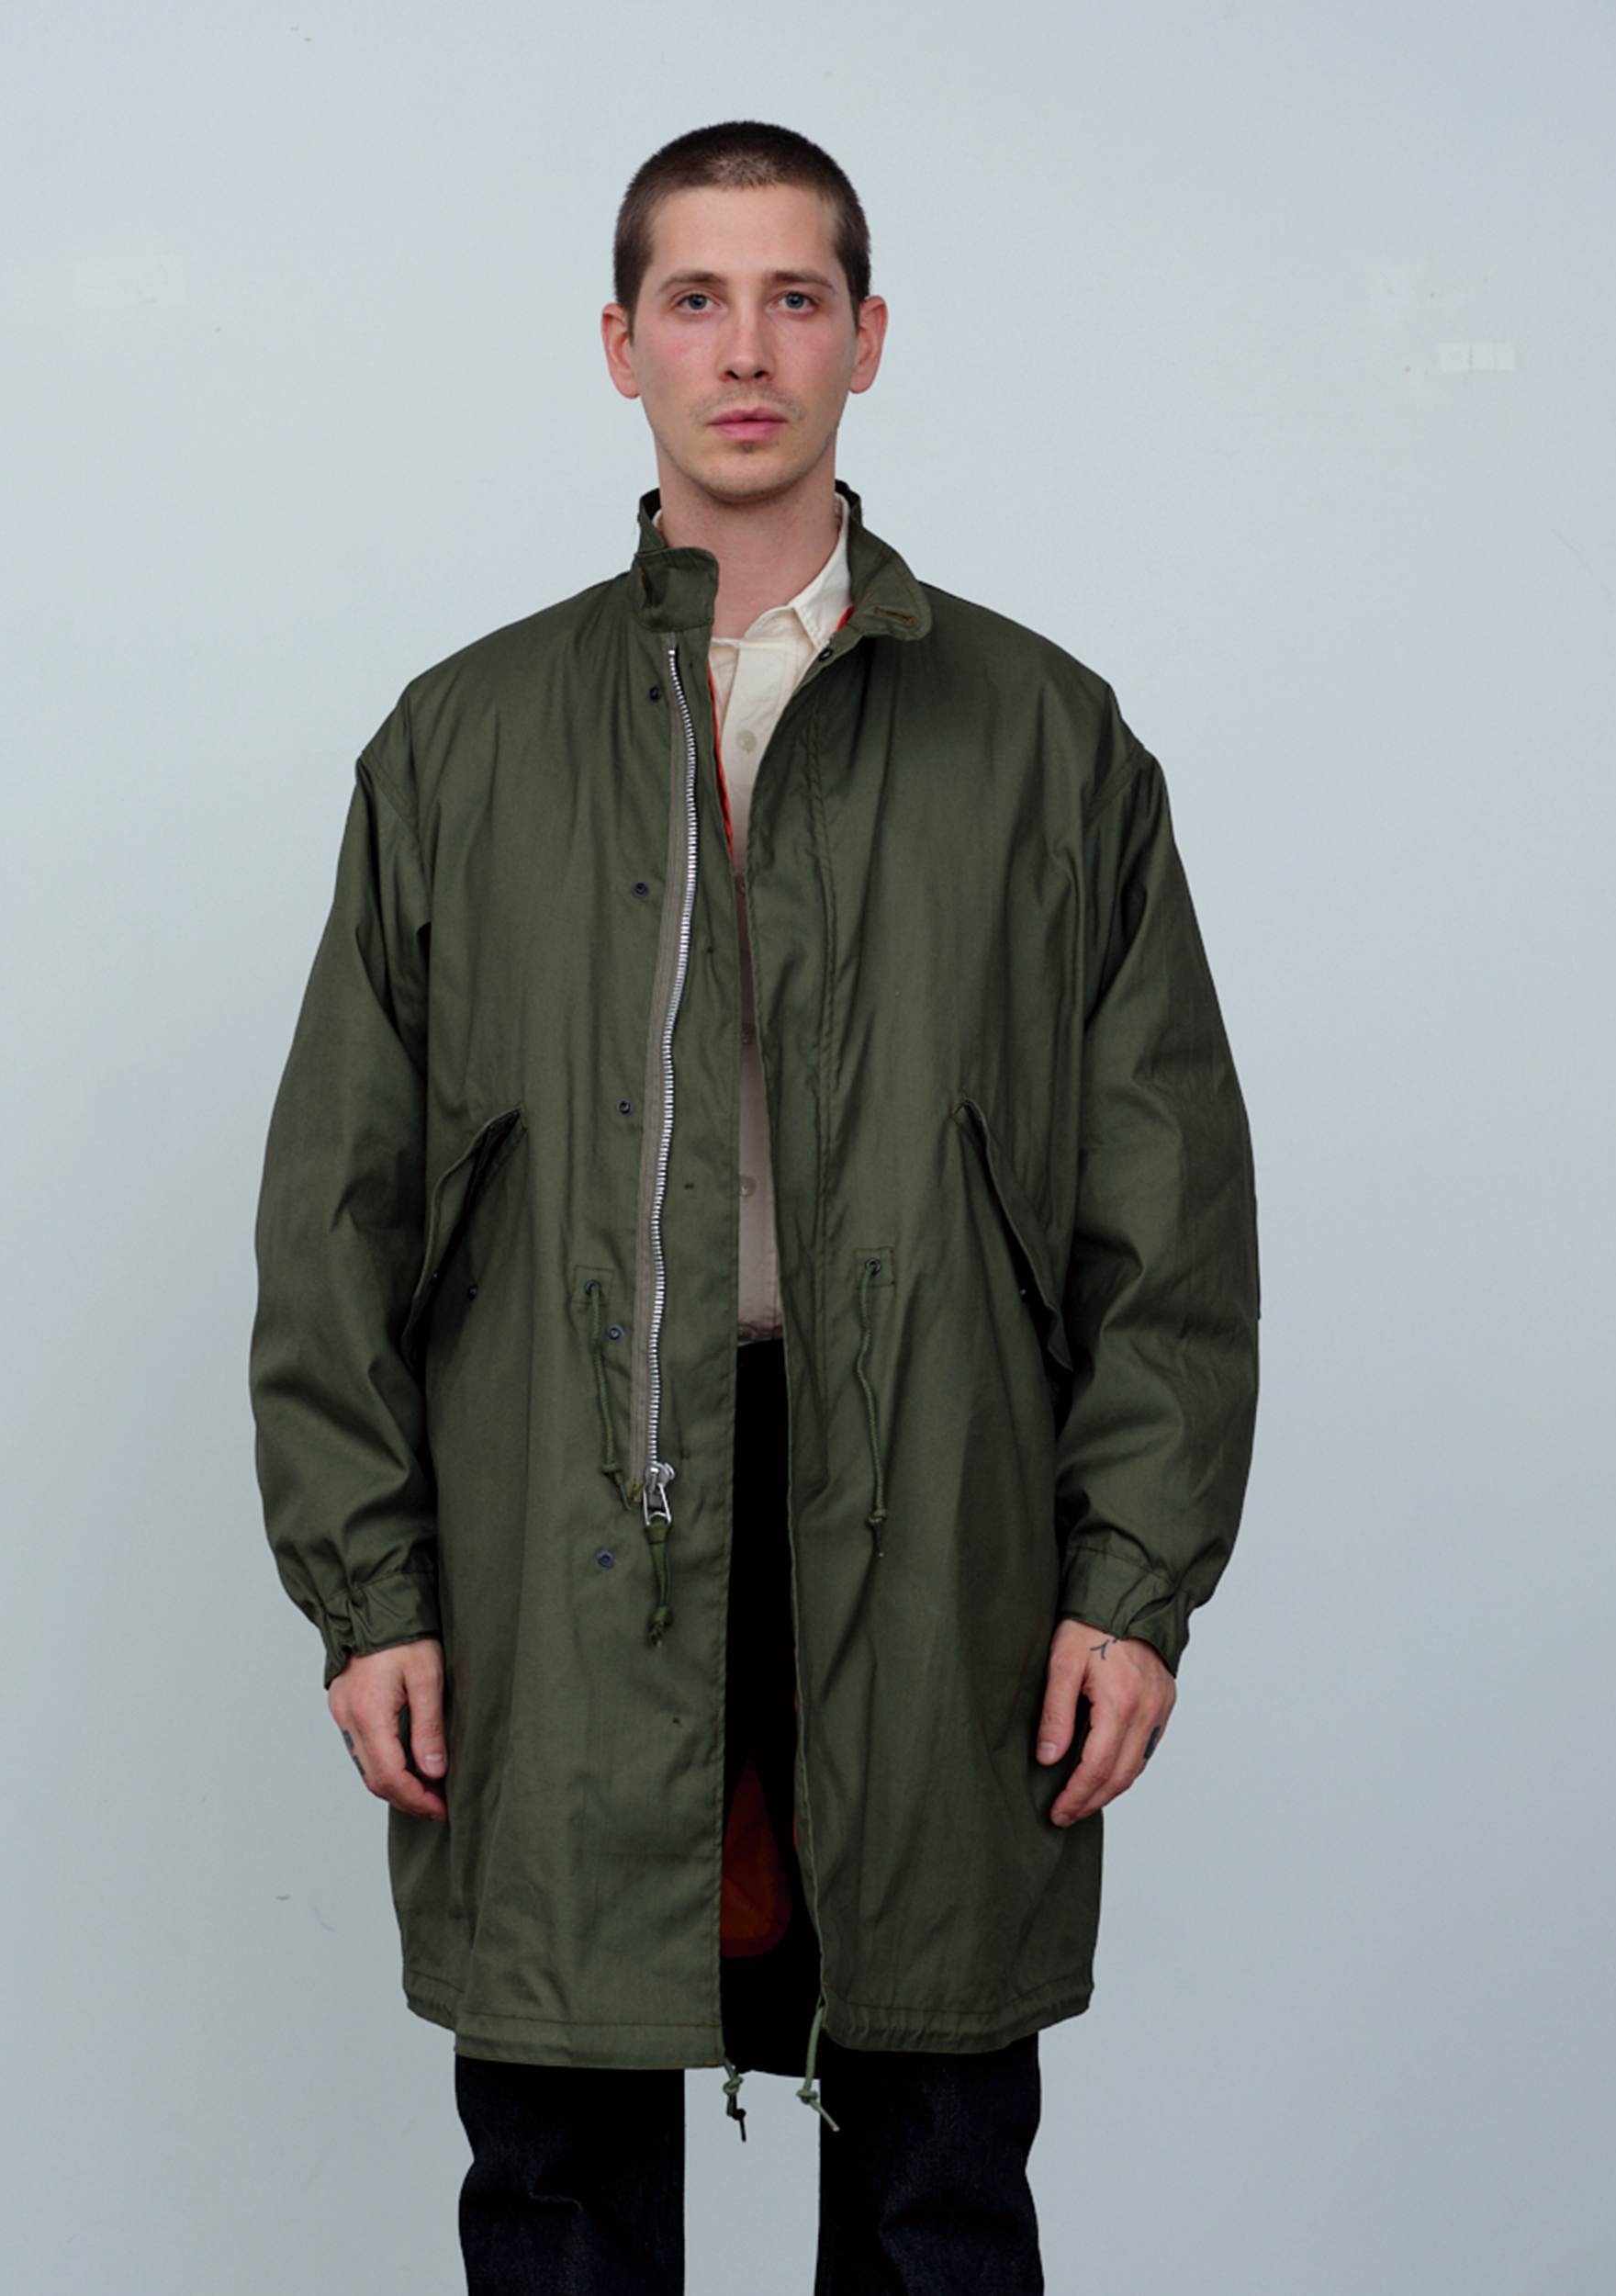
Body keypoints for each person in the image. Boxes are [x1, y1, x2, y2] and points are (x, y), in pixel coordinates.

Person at [252, 120, 1259, 2295]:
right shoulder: (462, 743)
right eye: (693, 299)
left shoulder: (1045, 740)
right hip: (560, 1521)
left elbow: (1166, 1217)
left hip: (932, 1511)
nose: (744, 348)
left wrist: (1129, 1580)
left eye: (793, 297)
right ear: (618, 343)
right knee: (558, 2171)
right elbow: (334, 1211)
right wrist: (371, 1587)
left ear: (865, 339)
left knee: (934, 2173)